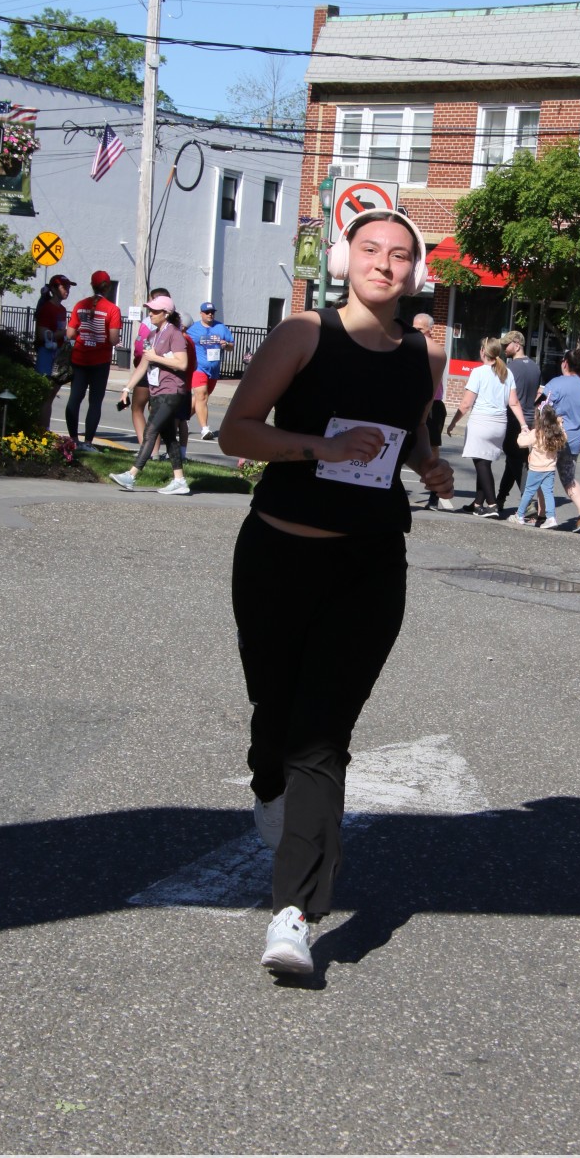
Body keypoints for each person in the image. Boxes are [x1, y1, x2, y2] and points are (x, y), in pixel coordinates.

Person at [219, 209, 453, 976]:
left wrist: (428, 464)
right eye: (370, 249)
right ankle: (267, 782)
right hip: (279, 556)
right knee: (275, 716)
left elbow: (409, 433)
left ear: (415, 271)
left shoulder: (422, 353)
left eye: (400, 255)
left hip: (371, 566)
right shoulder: (303, 334)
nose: (384, 263)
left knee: (321, 735)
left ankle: (293, 916)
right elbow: (237, 431)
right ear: (344, 259)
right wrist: (320, 446)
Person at [108, 296, 191, 496]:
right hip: (157, 390)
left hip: (171, 391)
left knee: (151, 430)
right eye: (150, 310)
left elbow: (182, 363)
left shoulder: (175, 334)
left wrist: (156, 357)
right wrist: (127, 388)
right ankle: (179, 480)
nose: (151, 314)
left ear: (166, 314)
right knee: (169, 436)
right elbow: (144, 365)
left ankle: (131, 475)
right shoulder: (153, 335)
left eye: (155, 311)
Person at [445, 338, 526, 517]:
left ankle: (492, 504)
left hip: (481, 423)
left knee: (481, 464)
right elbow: (514, 402)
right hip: (499, 424)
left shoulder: (478, 372)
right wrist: (523, 424)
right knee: (485, 462)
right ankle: (477, 503)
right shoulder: (507, 373)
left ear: (483, 351)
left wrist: (453, 422)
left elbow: (466, 404)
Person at [538, 346, 580, 532]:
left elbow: (542, 407)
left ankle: (543, 514)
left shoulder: (556, 383)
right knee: (569, 477)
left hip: (553, 436)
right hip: (575, 438)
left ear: (565, 363)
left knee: (542, 472)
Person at [64, 270, 122, 453]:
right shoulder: (112, 309)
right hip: (100, 361)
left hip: (80, 358)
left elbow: (70, 334)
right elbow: (113, 339)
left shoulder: (80, 305)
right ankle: (88, 442)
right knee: (95, 402)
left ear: (92, 285)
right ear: (108, 287)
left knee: (74, 399)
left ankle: (73, 439)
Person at [496, 329, 542, 515]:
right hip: (529, 419)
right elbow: (538, 393)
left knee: (517, 459)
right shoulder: (535, 367)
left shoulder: (510, 369)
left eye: (506, 345)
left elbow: (504, 395)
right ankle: (500, 499)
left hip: (514, 419)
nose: (504, 348)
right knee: (514, 459)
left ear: (517, 345)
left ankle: (528, 500)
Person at [411, 312, 453, 511]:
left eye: (419, 329)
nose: (415, 332)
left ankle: (434, 496)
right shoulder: (409, 347)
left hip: (433, 404)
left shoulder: (435, 351)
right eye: (414, 328)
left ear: (430, 330)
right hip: (413, 401)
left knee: (432, 447)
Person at [511, 404, 568, 529]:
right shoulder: (557, 434)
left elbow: (521, 443)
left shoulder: (536, 433)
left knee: (528, 492)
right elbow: (565, 437)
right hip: (550, 469)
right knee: (548, 493)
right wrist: (560, 425)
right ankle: (551, 517)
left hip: (536, 469)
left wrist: (522, 433)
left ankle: (519, 515)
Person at [131, 287, 174, 451]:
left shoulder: (150, 322)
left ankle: (147, 449)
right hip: (164, 371)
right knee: (154, 411)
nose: (150, 312)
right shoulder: (176, 324)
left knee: (137, 408)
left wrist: (139, 361)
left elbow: (139, 348)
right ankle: (153, 451)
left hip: (151, 370)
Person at [34, 274, 77, 432]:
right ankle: (40, 429)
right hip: (47, 353)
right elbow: (42, 334)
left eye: (68, 287)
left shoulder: (62, 309)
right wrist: (66, 332)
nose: (67, 290)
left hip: (58, 353)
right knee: (45, 393)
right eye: (64, 287)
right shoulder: (47, 308)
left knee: (51, 394)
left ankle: (44, 428)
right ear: (53, 288)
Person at [187, 302, 234, 440]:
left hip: (214, 370)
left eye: (212, 312)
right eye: (207, 312)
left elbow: (231, 346)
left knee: (199, 398)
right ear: (201, 313)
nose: (210, 314)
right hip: (199, 368)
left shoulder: (221, 327)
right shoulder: (193, 329)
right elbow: (184, 342)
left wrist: (226, 345)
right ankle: (205, 429)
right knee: (201, 396)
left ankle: (180, 420)